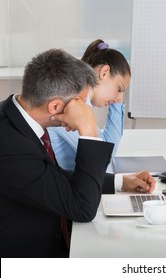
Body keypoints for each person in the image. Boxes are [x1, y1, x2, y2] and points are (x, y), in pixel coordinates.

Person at [0, 49, 155, 258]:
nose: (85, 111)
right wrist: (88, 130)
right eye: (81, 105)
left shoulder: (17, 117)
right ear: (55, 106)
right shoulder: (11, 147)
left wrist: (120, 182)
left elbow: (50, 178)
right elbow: (83, 209)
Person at [48, 39, 130, 170]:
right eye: (119, 89)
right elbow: (104, 158)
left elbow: (108, 147)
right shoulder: (71, 104)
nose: (117, 99)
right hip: (67, 184)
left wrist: (118, 101)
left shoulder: (81, 102)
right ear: (104, 72)